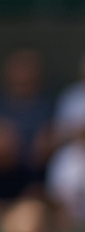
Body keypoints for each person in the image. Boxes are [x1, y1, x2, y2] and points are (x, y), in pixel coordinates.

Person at [0, 49, 53, 177]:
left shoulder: (49, 104)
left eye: (27, 68)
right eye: (18, 68)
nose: (23, 74)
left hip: (39, 168)